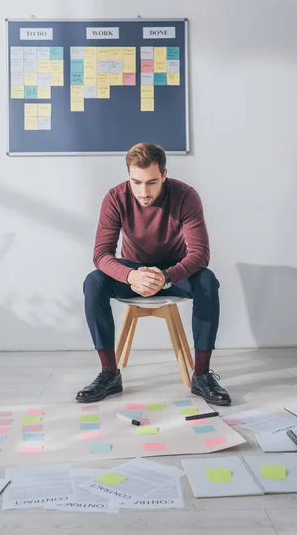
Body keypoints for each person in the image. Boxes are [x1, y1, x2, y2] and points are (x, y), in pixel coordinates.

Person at [76, 143, 231, 406]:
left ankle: (202, 375)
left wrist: (167, 276)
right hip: (132, 271)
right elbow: (101, 254)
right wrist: (130, 276)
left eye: (152, 182)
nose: (143, 192)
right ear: (128, 176)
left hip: (174, 272)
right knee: (94, 282)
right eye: (136, 182)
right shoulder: (115, 197)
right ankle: (109, 373)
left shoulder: (185, 195)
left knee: (207, 280)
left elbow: (200, 253)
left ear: (165, 175)